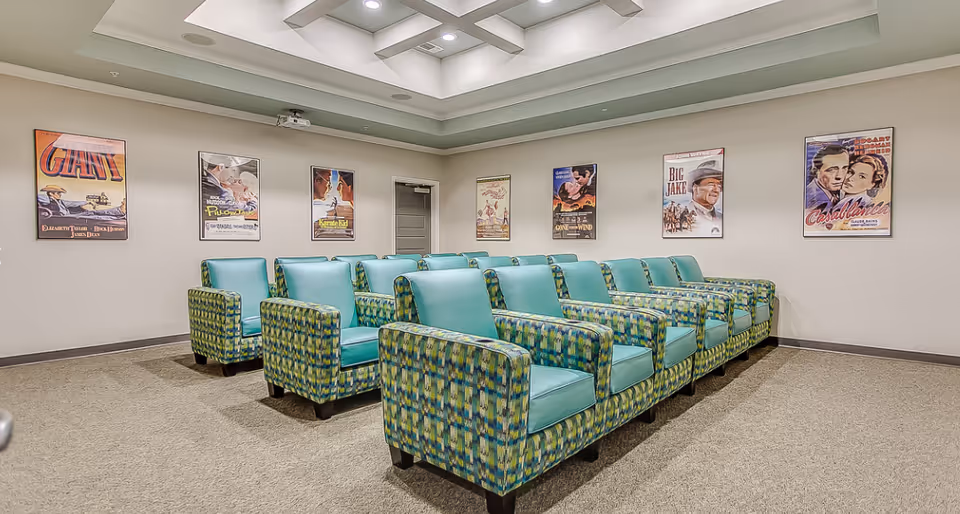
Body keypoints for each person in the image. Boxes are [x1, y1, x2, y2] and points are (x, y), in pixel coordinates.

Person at [37, 185, 126, 219]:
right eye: (58, 193)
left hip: (69, 215)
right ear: (51, 193)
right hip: (66, 217)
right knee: (93, 215)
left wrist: (86, 202)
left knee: (92, 212)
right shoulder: (48, 200)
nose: (60, 195)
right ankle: (117, 214)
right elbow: (38, 198)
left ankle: (119, 211)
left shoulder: (60, 201)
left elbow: (72, 203)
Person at [805, 145, 850, 211]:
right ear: (816, 171)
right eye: (831, 169)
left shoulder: (842, 193)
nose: (840, 176)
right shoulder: (812, 201)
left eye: (845, 168)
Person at [686, 160, 723, 230]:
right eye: (711, 184)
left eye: (719, 186)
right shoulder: (683, 214)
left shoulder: (722, 218)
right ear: (695, 188)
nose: (716, 190)